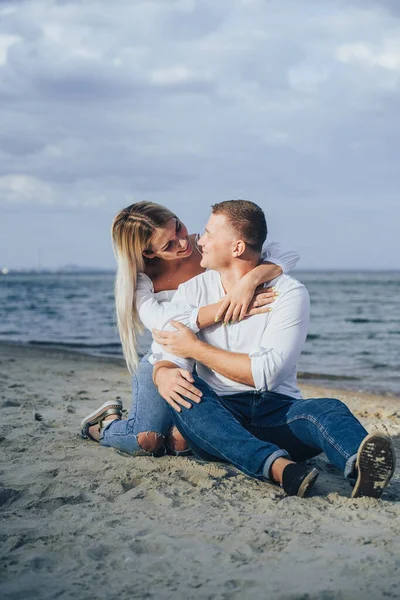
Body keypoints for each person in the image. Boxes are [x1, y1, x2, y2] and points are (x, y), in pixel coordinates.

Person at [150, 200, 396, 498]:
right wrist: (163, 372)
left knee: (327, 409)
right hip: (217, 417)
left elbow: (266, 374)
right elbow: (173, 355)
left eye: (208, 234)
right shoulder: (192, 291)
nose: (199, 241)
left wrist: (196, 348)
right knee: (186, 398)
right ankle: (280, 468)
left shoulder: (289, 293)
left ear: (237, 248)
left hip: (278, 412)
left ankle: (361, 468)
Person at [81, 201, 300, 456]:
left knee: (181, 443)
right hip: (168, 357)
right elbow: (165, 324)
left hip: (204, 358)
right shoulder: (141, 278)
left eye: (178, 228)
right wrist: (227, 306)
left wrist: (249, 282)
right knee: (148, 442)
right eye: (168, 245)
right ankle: (103, 425)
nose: (183, 243)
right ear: (150, 253)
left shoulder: (207, 246)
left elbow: (287, 254)